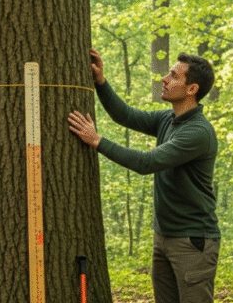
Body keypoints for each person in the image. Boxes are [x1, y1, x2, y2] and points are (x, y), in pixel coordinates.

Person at [68, 48, 220, 303]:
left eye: (174, 76)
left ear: (192, 89)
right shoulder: (168, 119)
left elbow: (145, 162)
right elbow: (125, 115)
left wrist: (96, 141)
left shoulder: (197, 132)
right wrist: (101, 82)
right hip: (164, 236)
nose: (164, 79)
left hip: (192, 242)